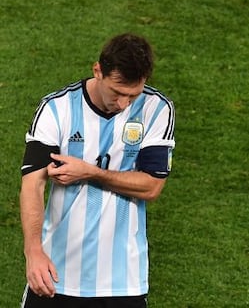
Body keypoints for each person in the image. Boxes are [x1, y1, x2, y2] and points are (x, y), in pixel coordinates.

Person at [19, 33, 175, 308]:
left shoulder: (156, 109)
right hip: (55, 274)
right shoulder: (57, 109)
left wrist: (90, 172)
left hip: (123, 282)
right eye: (117, 92)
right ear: (98, 71)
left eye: (133, 94)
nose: (124, 104)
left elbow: (151, 186)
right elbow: (33, 185)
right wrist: (33, 251)